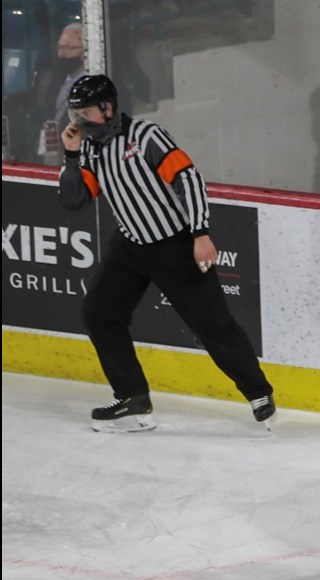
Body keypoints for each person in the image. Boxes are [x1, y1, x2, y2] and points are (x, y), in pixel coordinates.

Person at [57, 74, 275, 433]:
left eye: (85, 113)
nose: (78, 121)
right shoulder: (91, 148)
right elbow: (74, 200)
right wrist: (69, 156)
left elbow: (187, 178)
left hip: (173, 243)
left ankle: (259, 392)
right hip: (129, 246)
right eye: (74, 113)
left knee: (213, 326)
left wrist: (200, 232)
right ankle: (133, 397)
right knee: (98, 312)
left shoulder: (145, 136)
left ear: (108, 108)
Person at [29, 22, 87, 164]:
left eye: (69, 48)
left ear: (85, 52)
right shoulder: (56, 80)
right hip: (49, 155)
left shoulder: (92, 84)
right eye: (60, 47)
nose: (62, 53)